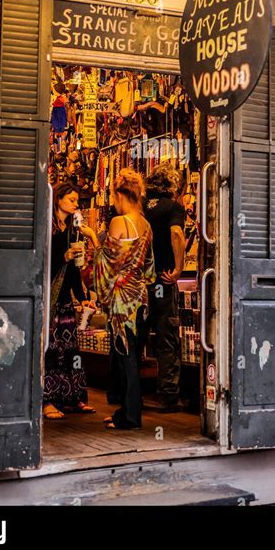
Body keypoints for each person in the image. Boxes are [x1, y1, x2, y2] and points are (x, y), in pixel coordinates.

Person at [80, 170, 156, 430]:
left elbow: (106, 264)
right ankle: (126, 410)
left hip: (122, 303)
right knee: (132, 356)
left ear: (121, 195)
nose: (113, 201)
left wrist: (91, 237)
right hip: (142, 299)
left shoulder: (118, 223)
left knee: (126, 359)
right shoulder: (146, 225)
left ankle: (130, 417)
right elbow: (149, 267)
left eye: (113, 195)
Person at [43, 182, 96, 419]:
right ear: (59, 199)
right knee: (52, 350)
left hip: (65, 297)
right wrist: (62, 256)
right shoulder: (48, 227)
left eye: (77, 201)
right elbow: (41, 262)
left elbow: (75, 269)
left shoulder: (73, 230)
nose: (76, 204)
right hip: (49, 295)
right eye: (72, 200)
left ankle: (74, 397)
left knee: (71, 350)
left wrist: (83, 298)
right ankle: (48, 400)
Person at [143, 164, 186, 412]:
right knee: (166, 338)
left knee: (135, 337)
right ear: (173, 187)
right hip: (163, 280)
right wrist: (178, 268)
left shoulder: (139, 208)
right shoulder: (173, 208)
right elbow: (177, 234)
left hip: (139, 282)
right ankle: (168, 396)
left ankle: (127, 395)